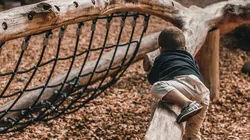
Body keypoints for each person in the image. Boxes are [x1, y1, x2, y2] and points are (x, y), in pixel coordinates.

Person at [148, 26, 210, 139]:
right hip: (202, 92)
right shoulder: (190, 58)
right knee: (192, 134)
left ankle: (187, 104)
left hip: (184, 86)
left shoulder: (161, 58)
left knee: (157, 87)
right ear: (185, 48)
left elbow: (153, 79)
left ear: (161, 49)